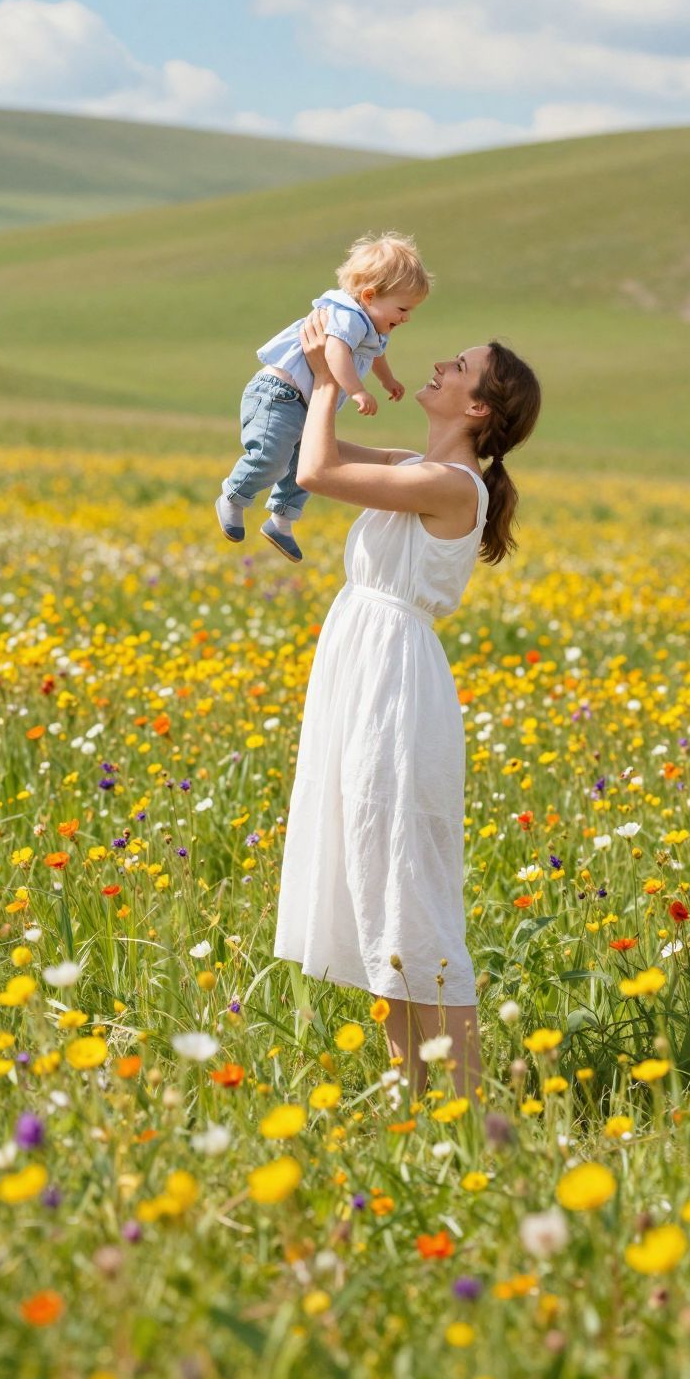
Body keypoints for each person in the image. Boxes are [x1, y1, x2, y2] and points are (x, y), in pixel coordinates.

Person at [272, 307, 542, 1100]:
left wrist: (332, 380)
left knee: (408, 888)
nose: (440, 367)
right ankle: (413, 1097)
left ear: (478, 408)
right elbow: (301, 451)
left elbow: (319, 474)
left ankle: (462, 1101)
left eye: (458, 367)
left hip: (395, 684)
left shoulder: (448, 486)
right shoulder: (412, 464)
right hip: (364, 669)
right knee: (372, 879)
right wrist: (317, 358)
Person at [215, 232, 430, 564]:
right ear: (370, 295)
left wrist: (388, 381)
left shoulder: (370, 326)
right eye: (402, 308)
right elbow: (334, 351)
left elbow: (375, 355)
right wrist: (357, 389)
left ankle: (281, 522)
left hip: (304, 403)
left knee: (309, 463)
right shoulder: (347, 315)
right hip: (277, 395)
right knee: (270, 459)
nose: (406, 318)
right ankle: (234, 495)